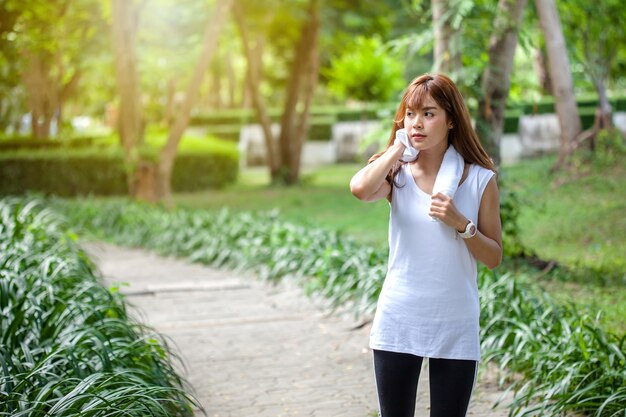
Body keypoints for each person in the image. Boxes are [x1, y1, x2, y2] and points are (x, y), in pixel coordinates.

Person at [349, 73, 502, 417]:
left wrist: (462, 225)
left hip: (455, 319)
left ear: (451, 121)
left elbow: (494, 257)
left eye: (429, 113)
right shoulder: (396, 174)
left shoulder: (480, 179)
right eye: (411, 114)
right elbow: (359, 189)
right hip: (400, 316)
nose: (417, 123)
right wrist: (396, 150)